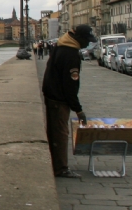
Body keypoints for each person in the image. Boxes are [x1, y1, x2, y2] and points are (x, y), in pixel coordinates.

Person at [42, 24, 97, 178]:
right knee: (60, 134)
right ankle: (60, 168)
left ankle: (56, 164)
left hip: (51, 94)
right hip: (59, 99)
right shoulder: (71, 54)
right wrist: (78, 109)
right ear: (79, 38)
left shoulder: (61, 46)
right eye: (86, 40)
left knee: (54, 133)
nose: (87, 44)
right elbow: (70, 85)